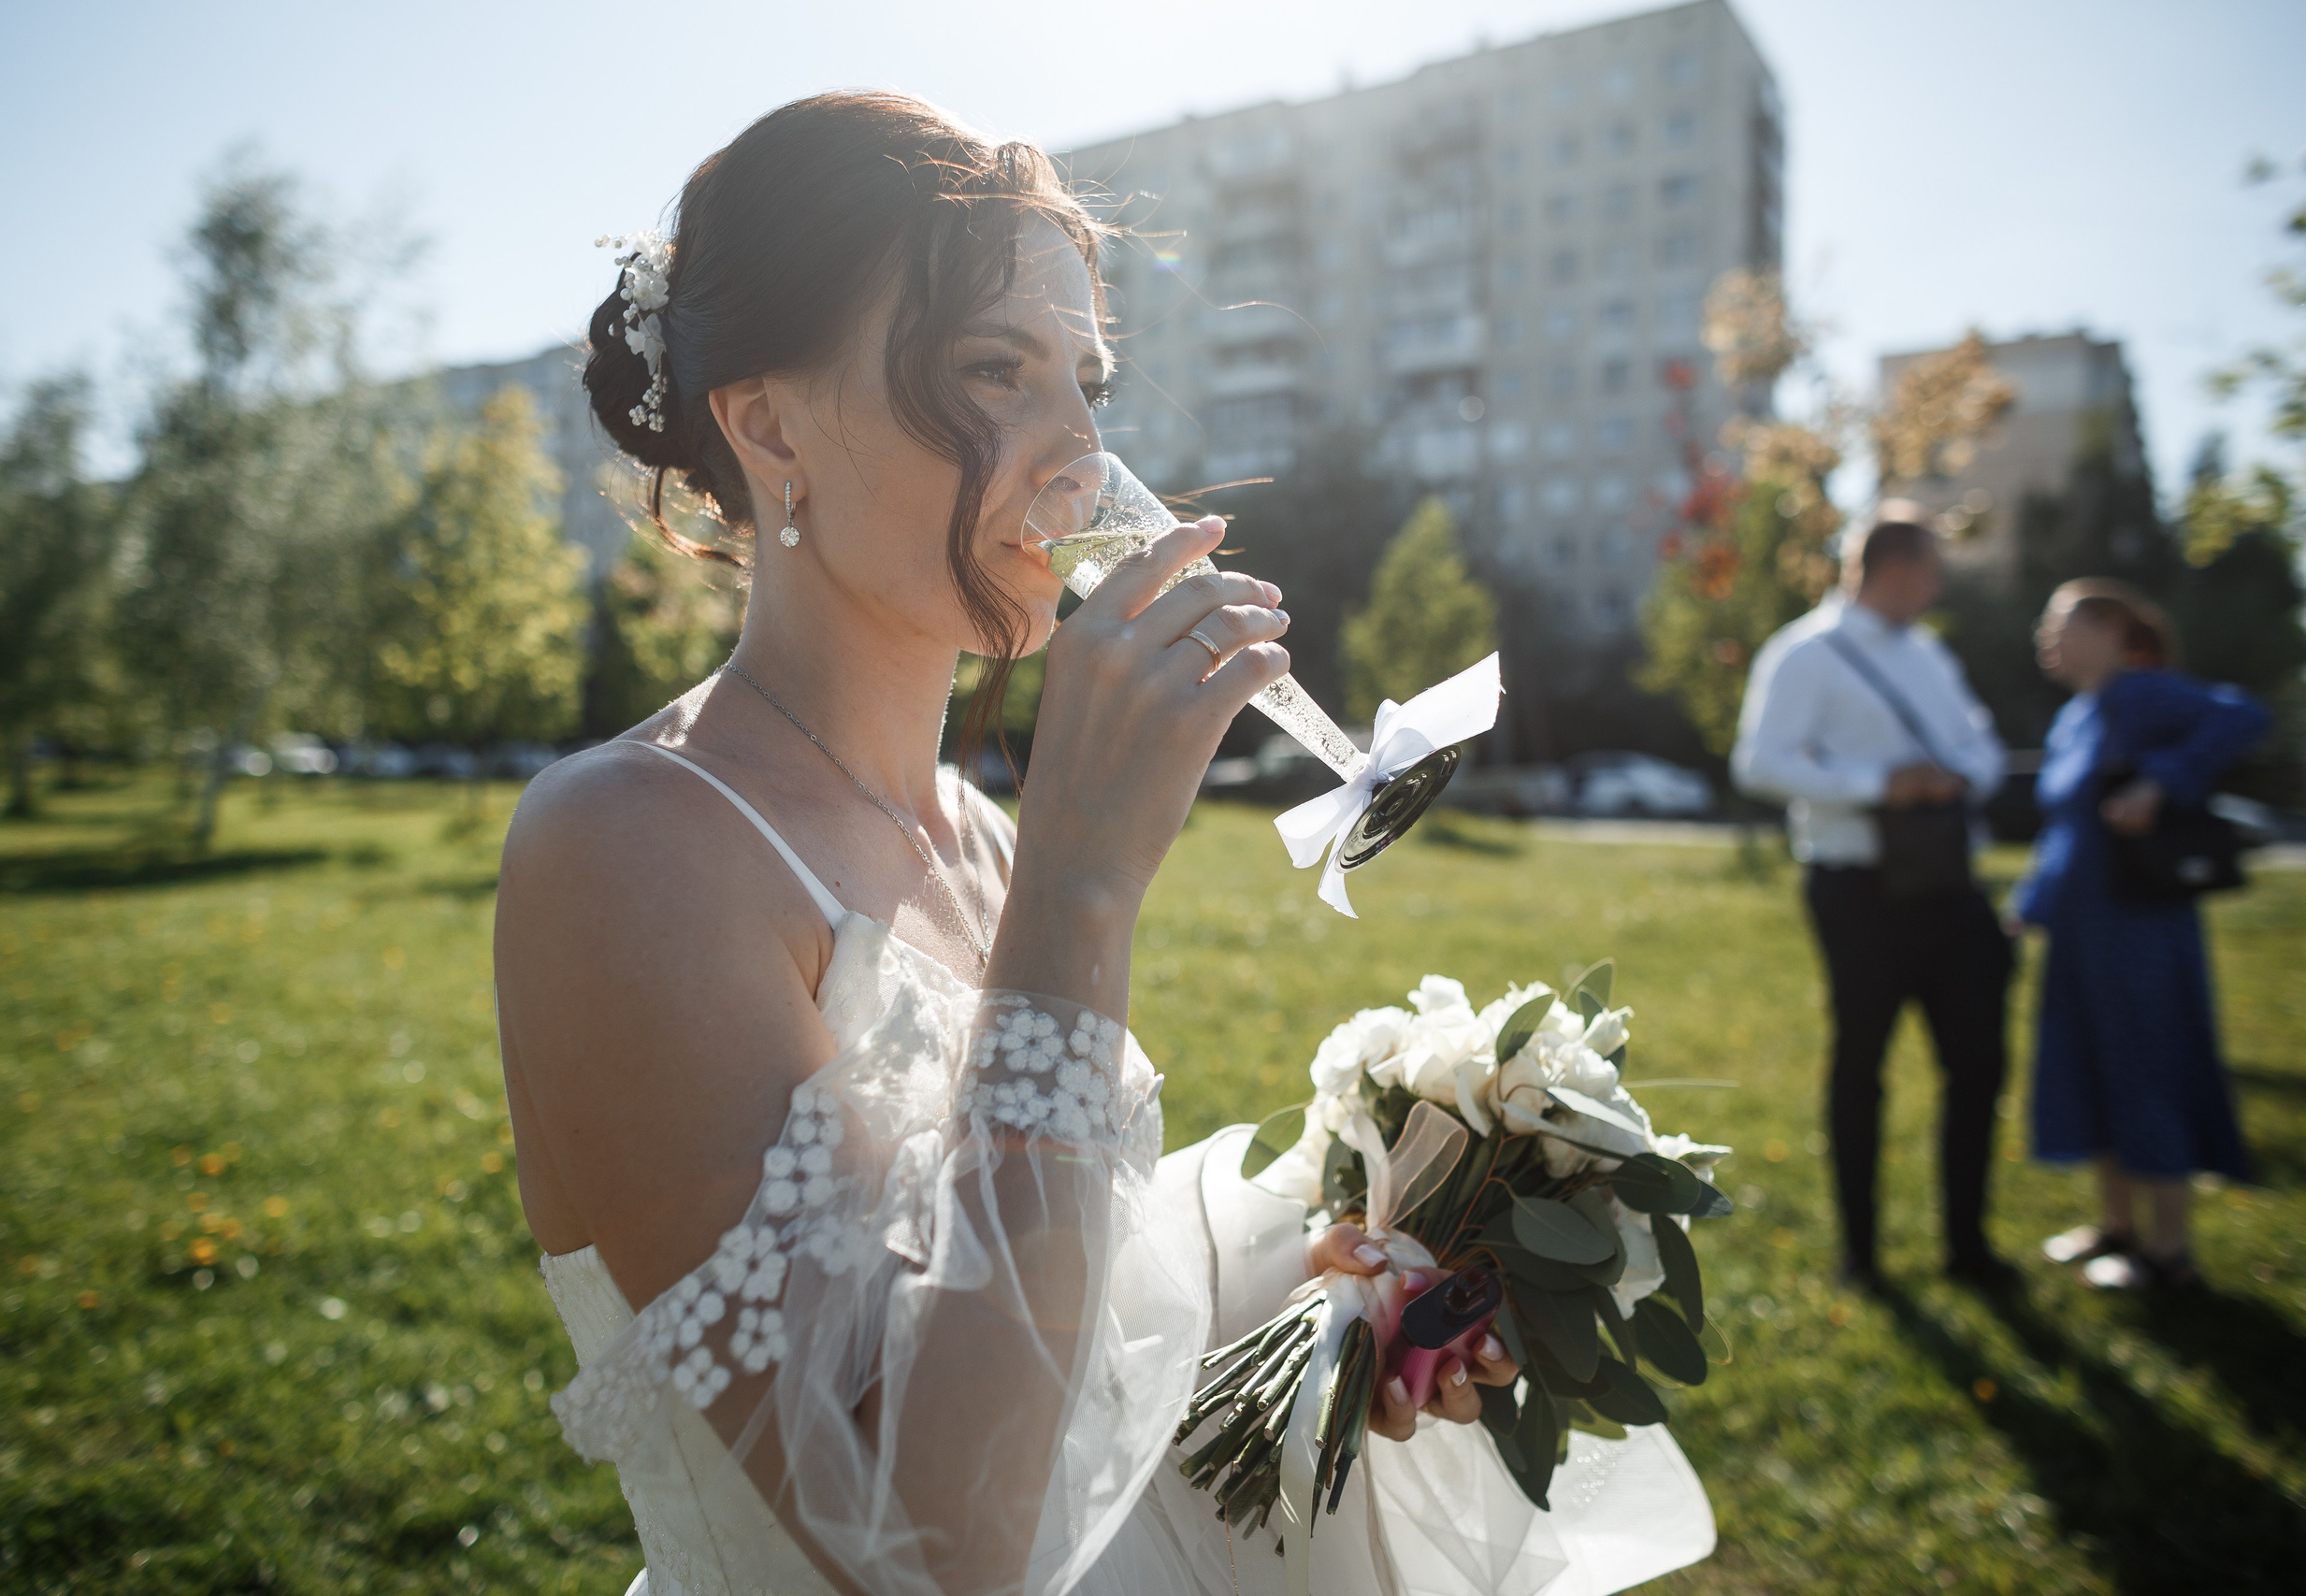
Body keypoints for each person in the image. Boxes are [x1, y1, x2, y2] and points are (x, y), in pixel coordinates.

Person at [492, 93, 1709, 1596]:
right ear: (767, 421)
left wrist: (1327, 1298)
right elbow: (930, 1546)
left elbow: (1067, 1328)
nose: (1079, 457)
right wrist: (1082, 881)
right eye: (993, 370)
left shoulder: (983, 837)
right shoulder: (626, 847)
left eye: (1091, 382)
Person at [1731, 509, 2014, 1293]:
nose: (1937, 585)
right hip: (1858, 887)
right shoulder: (1804, 654)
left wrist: (1953, 777)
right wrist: (1877, 786)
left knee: (1979, 1062)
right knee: (1862, 1063)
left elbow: (1983, 749)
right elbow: (1759, 762)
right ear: (1892, 570)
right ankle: (1863, 1254)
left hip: (1951, 885)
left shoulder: (1928, 652)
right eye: (1930, 569)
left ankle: (1969, 1245)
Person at [2013, 581, 2267, 1292]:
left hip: (2141, 928)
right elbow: (2068, 828)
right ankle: (2116, 1226)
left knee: (2148, 1069)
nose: (2045, 637)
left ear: (2105, 629)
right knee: (2093, 1068)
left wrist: (2161, 782)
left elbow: (2243, 715)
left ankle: (2170, 1251)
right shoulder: (2075, 717)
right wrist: (2028, 901)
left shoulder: (2143, 693)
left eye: (2058, 622)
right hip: (2082, 932)